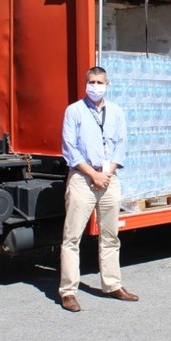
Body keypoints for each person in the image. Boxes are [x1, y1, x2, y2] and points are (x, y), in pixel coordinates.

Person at [58, 66, 139, 312]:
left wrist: (107, 173)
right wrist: (93, 174)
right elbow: (69, 147)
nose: (95, 86)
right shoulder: (74, 111)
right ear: (86, 84)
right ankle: (68, 291)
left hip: (109, 178)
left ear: (107, 84)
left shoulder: (116, 112)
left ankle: (113, 284)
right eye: (91, 81)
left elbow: (121, 144)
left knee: (110, 236)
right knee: (72, 238)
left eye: (99, 82)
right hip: (84, 177)